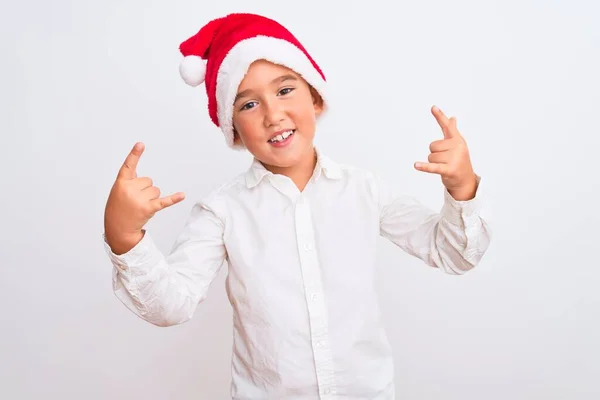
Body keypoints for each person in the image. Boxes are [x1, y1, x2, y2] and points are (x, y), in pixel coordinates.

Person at [102, 12, 491, 400]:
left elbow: (454, 254)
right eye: (249, 104)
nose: (273, 115)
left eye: (285, 90)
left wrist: (461, 187)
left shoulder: (363, 190)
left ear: (316, 98)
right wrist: (125, 236)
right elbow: (172, 305)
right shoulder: (222, 211)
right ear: (232, 128)